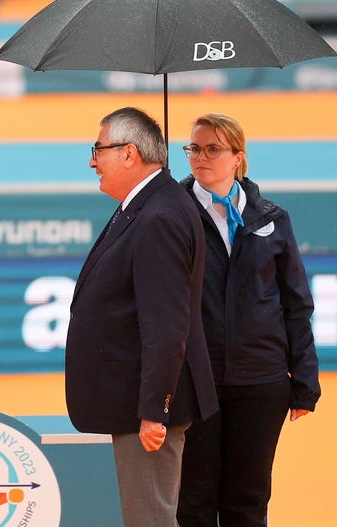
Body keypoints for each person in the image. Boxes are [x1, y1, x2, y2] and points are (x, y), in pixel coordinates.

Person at [65, 107, 219, 527]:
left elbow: (166, 325)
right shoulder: (151, 204)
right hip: (137, 399)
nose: (93, 161)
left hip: (146, 406)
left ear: (129, 153)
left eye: (98, 150)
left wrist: (155, 408)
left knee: (149, 519)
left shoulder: (159, 215)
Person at [177, 113, 320, 527]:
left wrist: (305, 382)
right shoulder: (171, 216)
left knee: (248, 503)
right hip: (194, 383)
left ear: (238, 157)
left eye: (213, 148)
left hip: (262, 383)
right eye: (194, 148)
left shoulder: (272, 217)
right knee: (193, 505)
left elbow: (296, 304)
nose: (200, 157)